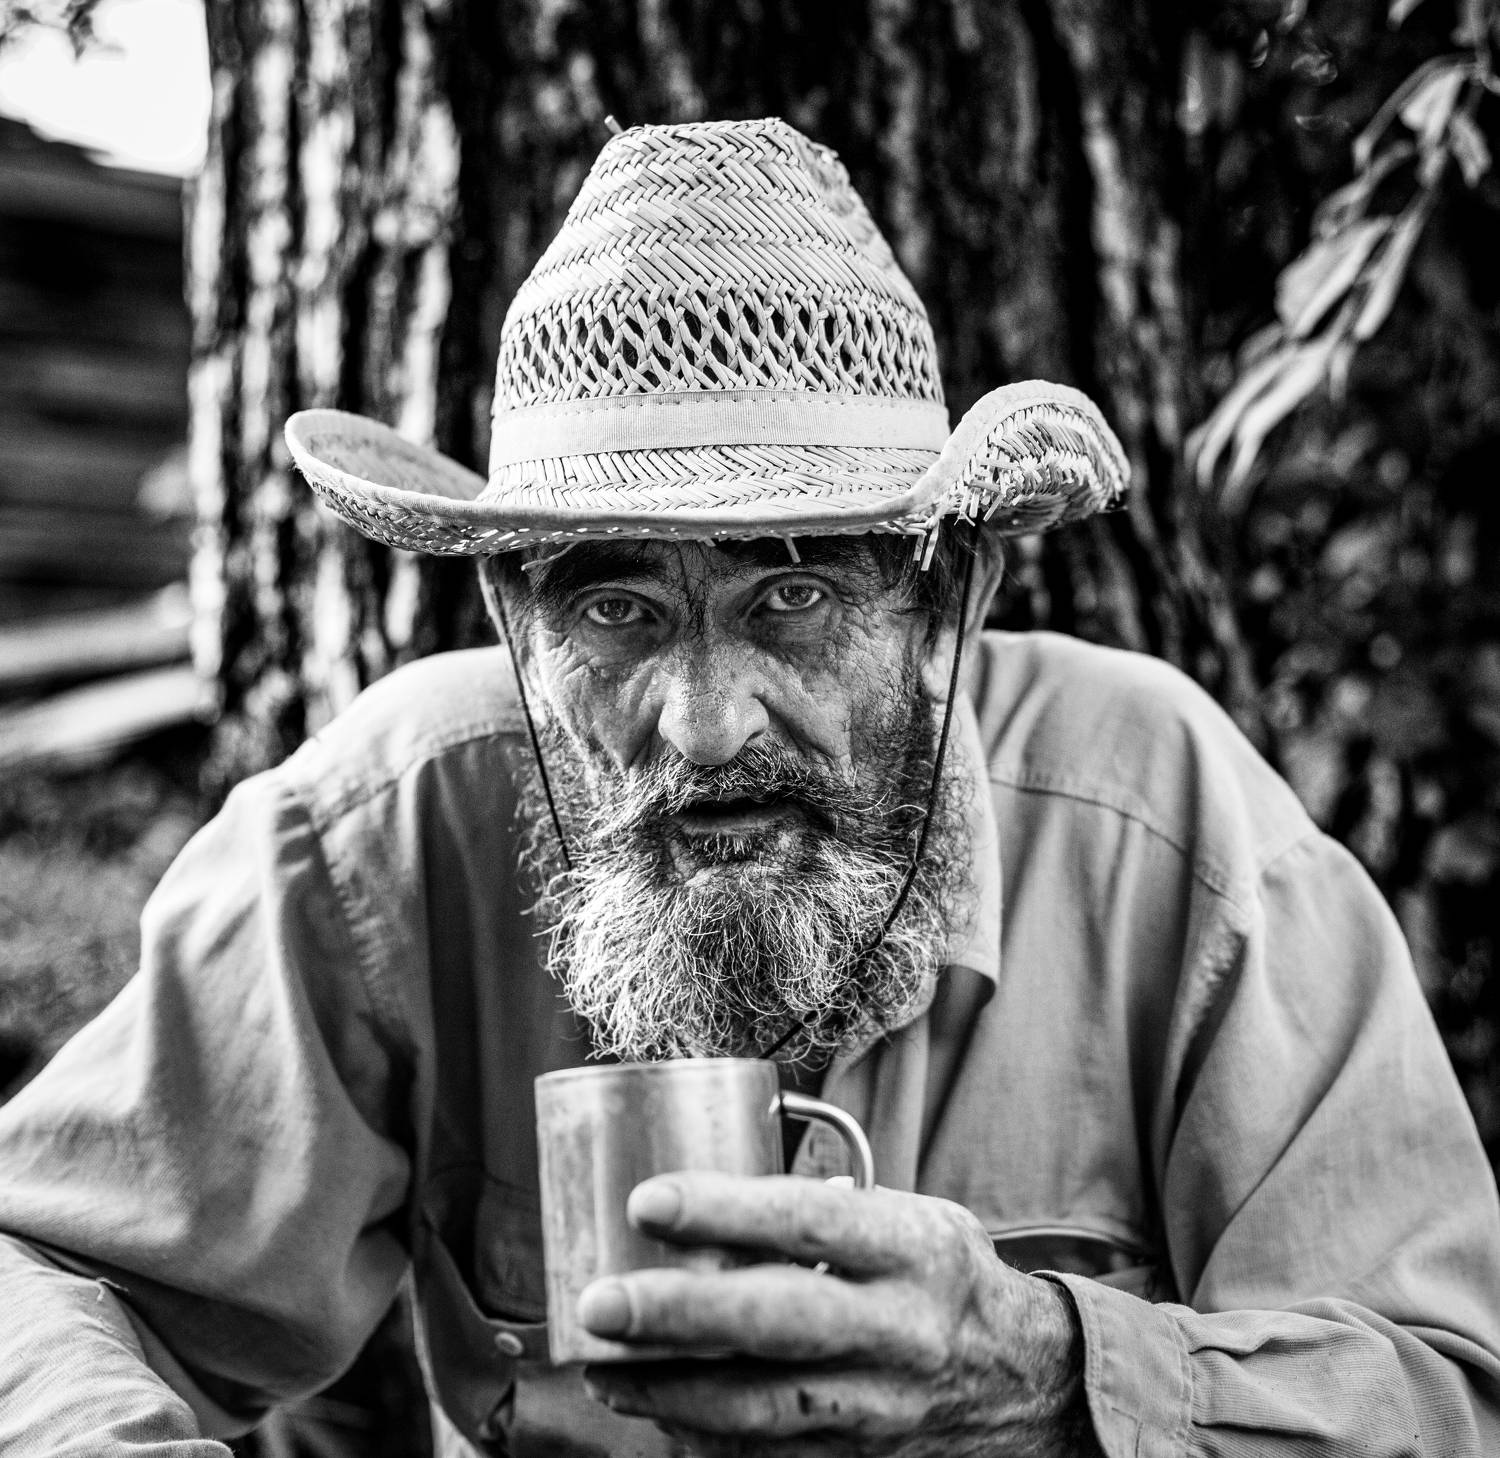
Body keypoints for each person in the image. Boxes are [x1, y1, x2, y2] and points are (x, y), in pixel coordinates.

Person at [1, 116, 1497, 1458]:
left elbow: (1449, 1392)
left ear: (944, 601)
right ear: (517, 620)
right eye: (616, 606)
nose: (707, 727)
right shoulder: (392, 827)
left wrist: (1048, 1377)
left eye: (794, 595)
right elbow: (41, 1272)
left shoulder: (1168, 827)